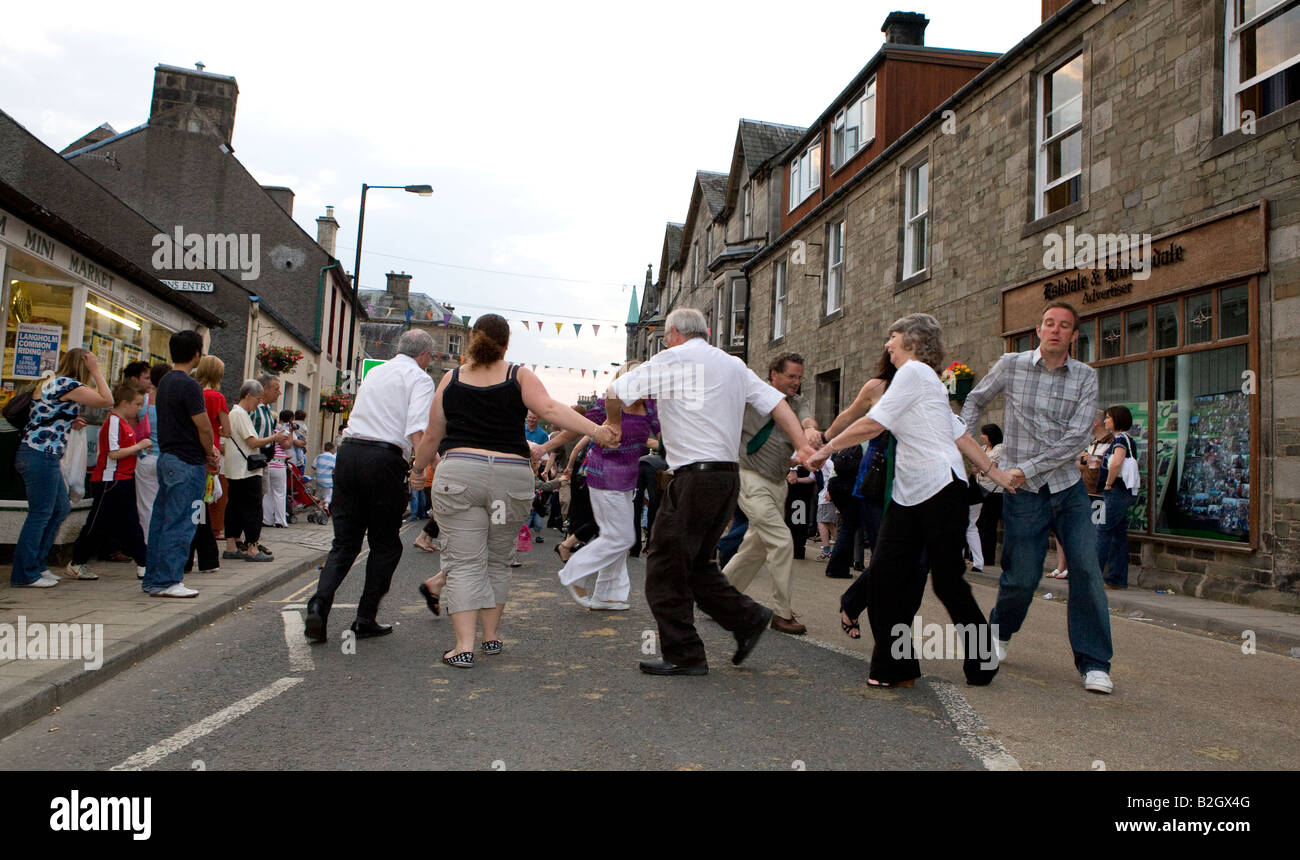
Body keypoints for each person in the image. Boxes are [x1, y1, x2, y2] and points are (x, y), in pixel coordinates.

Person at [806, 313, 1014, 687]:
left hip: (940, 489)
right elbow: (960, 434)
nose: (888, 344)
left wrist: (828, 450)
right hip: (910, 493)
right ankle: (896, 669)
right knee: (886, 575)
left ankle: (982, 659)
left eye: (893, 336)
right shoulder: (925, 380)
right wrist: (993, 471)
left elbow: (875, 424)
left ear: (913, 342)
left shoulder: (916, 374)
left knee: (948, 583)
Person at [604, 308, 816, 675]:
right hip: (727, 477)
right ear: (704, 332)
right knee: (697, 564)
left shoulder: (671, 358)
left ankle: (685, 654)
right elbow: (777, 404)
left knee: (664, 568)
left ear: (673, 335)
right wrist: (803, 445)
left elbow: (615, 390)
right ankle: (747, 619)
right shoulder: (732, 364)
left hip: (694, 479)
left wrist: (611, 422)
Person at [410, 314, 615, 667]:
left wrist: (416, 471)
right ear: (506, 344)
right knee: (497, 560)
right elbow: (551, 408)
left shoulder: (451, 378)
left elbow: (433, 434)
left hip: (461, 475)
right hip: (509, 477)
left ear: (473, 339)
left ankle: (463, 646)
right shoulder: (518, 374)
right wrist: (596, 431)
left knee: (463, 564)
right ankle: (491, 638)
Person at [960, 301, 1116, 695]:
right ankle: (999, 632)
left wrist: (1025, 468)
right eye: (1049, 323)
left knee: (1085, 570)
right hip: (1024, 494)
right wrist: (964, 444)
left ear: (1073, 336)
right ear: (1038, 328)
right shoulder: (1011, 364)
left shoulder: (1084, 377)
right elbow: (975, 398)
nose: (1055, 330)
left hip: (1067, 490)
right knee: (1022, 578)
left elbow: (1077, 438)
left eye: (1064, 326)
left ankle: (1095, 663)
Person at [305, 329, 438, 643]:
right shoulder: (420, 379)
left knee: (345, 544)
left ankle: (319, 603)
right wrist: (419, 469)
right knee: (385, 545)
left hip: (348, 454)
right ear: (425, 356)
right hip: (383, 460)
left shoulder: (376, 373)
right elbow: (418, 428)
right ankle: (365, 618)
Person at [534, 361, 660, 611]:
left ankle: (608, 595)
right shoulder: (608, 404)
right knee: (621, 537)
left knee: (619, 538)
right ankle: (574, 572)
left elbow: (667, 433)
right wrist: (544, 448)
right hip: (603, 474)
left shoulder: (650, 406)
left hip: (628, 478)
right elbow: (575, 429)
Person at [720, 353, 822, 636]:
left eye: (800, 377)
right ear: (773, 374)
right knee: (781, 540)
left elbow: (806, 419)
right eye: (791, 376)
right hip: (749, 477)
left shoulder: (797, 403)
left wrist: (811, 430)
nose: (796, 382)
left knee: (756, 546)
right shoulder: (751, 397)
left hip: (778, 483)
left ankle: (717, 596)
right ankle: (782, 613)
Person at [10, 349, 112, 587]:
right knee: (41, 513)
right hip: (40, 454)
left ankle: (37, 565)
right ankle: (25, 573)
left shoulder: (52, 382)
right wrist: (97, 372)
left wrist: (68, 420)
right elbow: (107, 401)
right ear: (84, 366)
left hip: (38, 453)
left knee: (60, 508)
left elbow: (45, 411)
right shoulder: (68, 384)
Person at [143, 330, 219, 598]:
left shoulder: (164, 382)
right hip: (187, 462)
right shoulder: (189, 385)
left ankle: (153, 579)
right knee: (182, 522)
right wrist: (210, 452)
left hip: (166, 458)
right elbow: (203, 426)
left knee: (161, 522)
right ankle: (169, 581)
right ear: (196, 353)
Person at [66, 382, 151, 580]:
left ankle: (144, 562)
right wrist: (139, 446)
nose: (139, 408)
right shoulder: (114, 421)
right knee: (98, 524)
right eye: (137, 404)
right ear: (124, 403)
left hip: (122, 479)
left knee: (130, 523)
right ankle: (77, 561)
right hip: (110, 480)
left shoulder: (123, 423)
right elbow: (113, 453)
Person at [222, 380, 287, 562]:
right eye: (257, 399)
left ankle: (231, 545)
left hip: (235, 468)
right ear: (248, 396)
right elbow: (252, 442)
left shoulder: (233, 413)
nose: (258, 403)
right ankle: (252, 547)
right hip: (247, 470)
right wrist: (275, 437)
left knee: (234, 507)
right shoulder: (241, 414)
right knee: (253, 508)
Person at [186, 355, 229, 574]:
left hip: (190, 453)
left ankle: (195, 555)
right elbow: (227, 431)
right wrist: (217, 431)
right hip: (209, 455)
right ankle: (205, 557)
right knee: (201, 504)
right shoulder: (217, 398)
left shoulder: (192, 393)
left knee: (197, 504)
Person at [1097, 405, 1138, 590]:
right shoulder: (1122, 439)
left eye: (1108, 417)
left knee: (1102, 531)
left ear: (1117, 419)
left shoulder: (1121, 439)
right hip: (1121, 492)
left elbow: (1116, 463)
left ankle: (1092, 576)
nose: (1105, 421)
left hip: (1115, 491)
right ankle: (1116, 579)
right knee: (1118, 535)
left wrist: (1107, 483)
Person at [134, 363, 170, 548]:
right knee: (168, 507)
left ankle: (148, 548)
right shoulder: (173, 402)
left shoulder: (144, 402)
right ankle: (166, 546)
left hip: (146, 457)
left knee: (147, 507)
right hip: (170, 459)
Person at [973, 424, 1005, 571]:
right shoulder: (983, 448)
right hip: (980, 487)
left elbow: (989, 465)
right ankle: (976, 555)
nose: (982, 437)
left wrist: (980, 465)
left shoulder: (1000, 449)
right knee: (978, 523)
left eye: (984, 434)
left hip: (994, 491)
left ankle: (988, 557)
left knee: (989, 524)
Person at [312, 442, 336, 508]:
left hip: (318, 479)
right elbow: (335, 468)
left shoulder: (319, 456)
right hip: (327, 480)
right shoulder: (333, 458)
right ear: (332, 449)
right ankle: (326, 506)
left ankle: (317, 506)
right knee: (328, 494)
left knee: (318, 493)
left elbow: (313, 466)